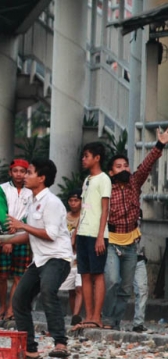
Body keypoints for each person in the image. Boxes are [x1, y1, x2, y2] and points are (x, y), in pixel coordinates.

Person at [0, 158, 73, 359]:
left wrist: (22, 225)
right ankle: (29, 347)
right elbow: (30, 235)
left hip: (57, 258)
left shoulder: (52, 202)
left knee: (47, 291)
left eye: (29, 172)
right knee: (19, 298)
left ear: (42, 178)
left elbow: (50, 234)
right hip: (40, 260)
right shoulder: (33, 202)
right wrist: (4, 239)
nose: (25, 176)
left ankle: (60, 343)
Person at [101, 128, 167, 330]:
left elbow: (147, 165)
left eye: (126, 165)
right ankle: (106, 317)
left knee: (126, 288)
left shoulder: (134, 182)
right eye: (118, 166)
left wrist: (160, 144)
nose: (123, 169)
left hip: (131, 244)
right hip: (112, 241)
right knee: (112, 281)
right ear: (111, 172)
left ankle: (115, 323)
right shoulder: (106, 188)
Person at [72, 142, 111, 330]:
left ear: (97, 158)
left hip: (97, 234)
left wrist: (100, 237)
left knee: (98, 274)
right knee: (85, 275)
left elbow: (105, 210)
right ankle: (88, 315)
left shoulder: (104, 179)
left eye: (87, 156)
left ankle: (97, 316)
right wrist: (76, 232)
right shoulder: (87, 180)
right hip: (82, 232)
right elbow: (84, 208)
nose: (83, 159)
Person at [0, 159, 32, 321]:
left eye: (22, 171)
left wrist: (20, 226)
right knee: (2, 275)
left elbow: (31, 214)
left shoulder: (31, 190)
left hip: (23, 235)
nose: (19, 174)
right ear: (10, 172)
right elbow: (1, 212)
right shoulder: (1, 189)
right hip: (4, 235)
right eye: (15, 171)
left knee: (19, 275)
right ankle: (2, 305)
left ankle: (10, 308)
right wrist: (9, 234)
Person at [58, 189, 84, 325]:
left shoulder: (84, 217)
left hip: (80, 255)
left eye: (76, 200)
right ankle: (75, 316)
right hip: (67, 255)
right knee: (71, 290)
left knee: (79, 287)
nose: (73, 203)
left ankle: (76, 315)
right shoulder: (64, 218)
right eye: (71, 200)